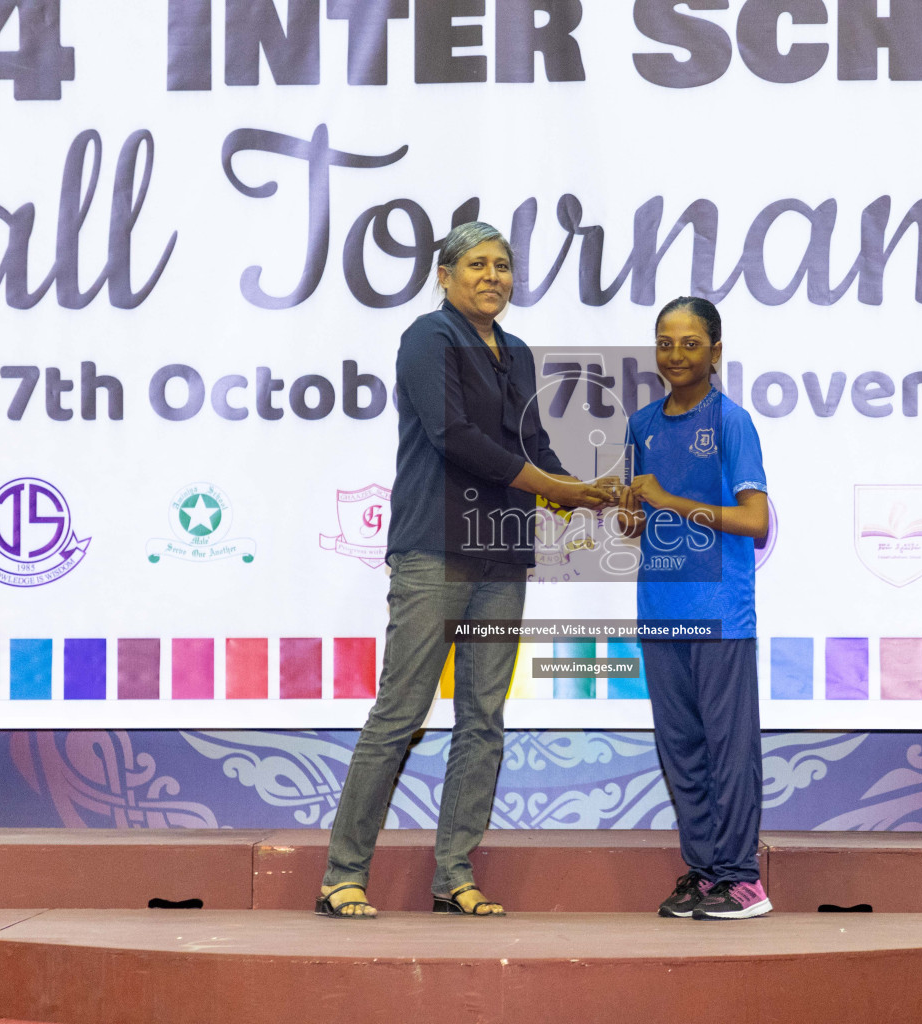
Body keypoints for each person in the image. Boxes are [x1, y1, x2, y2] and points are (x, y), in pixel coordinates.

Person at [318, 222, 609, 919]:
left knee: (483, 717)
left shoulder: (516, 352)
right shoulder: (429, 338)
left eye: (503, 266)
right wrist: (557, 488)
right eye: (476, 264)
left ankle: (454, 875)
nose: (492, 277)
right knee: (401, 712)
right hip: (434, 553)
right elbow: (455, 438)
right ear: (443, 276)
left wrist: (588, 495)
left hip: (502, 557)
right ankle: (342, 874)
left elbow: (530, 442)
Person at [616, 296, 772, 920]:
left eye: (688, 342)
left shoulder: (732, 423)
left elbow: (756, 521)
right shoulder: (640, 425)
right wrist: (631, 512)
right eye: (664, 342)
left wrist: (671, 501)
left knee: (727, 747)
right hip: (660, 609)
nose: (675, 354)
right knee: (680, 748)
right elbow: (639, 512)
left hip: (720, 612)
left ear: (715, 350)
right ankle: (705, 873)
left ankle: (742, 880)